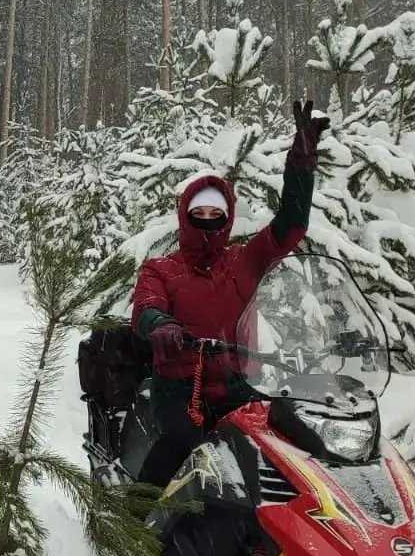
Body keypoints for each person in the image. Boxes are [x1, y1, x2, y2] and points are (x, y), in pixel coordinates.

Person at [130, 100, 330, 489]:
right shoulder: (161, 268)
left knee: (274, 449)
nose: (207, 220)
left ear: (227, 217)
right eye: (199, 212)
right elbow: (146, 306)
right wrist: (162, 326)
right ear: (186, 215)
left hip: (237, 384)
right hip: (179, 389)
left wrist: (302, 163)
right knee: (187, 446)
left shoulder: (244, 260)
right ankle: (138, 522)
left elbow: (290, 227)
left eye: (215, 213)